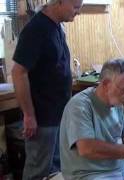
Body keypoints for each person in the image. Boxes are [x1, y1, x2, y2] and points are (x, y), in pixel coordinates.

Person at [11, 0, 82, 179]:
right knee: (38, 169)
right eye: (75, 7)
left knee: (56, 168)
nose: (78, 12)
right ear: (60, 2)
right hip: (42, 118)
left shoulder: (56, 26)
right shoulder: (36, 29)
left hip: (58, 114)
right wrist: (28, 115)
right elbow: (18, 72)